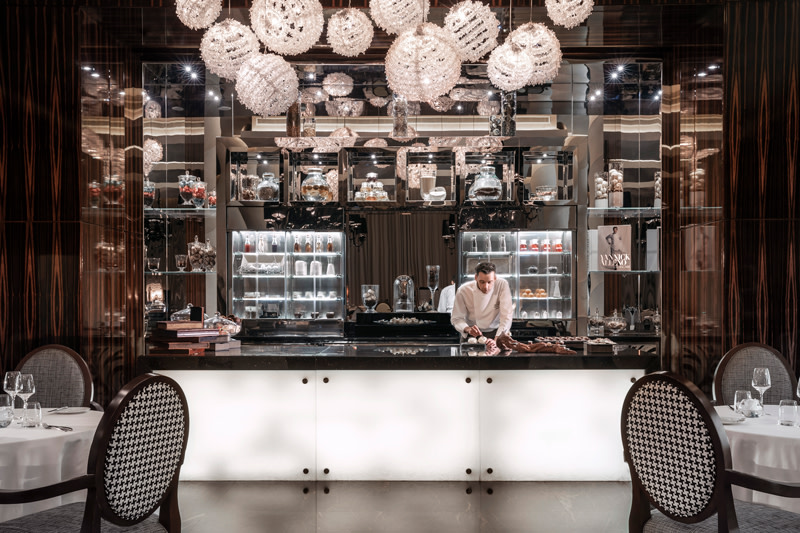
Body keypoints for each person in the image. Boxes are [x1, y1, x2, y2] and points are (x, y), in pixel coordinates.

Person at [451, 262, 513, 341]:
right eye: (482, 282)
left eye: (489, 282)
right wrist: (468, 329)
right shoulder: (463, 290)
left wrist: (497, 340)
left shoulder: (502, 285)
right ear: (476, 277)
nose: (486, 287)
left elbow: (506, 316)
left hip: (496, 332)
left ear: (495, 278)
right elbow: (456, 318)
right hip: (472, 335)